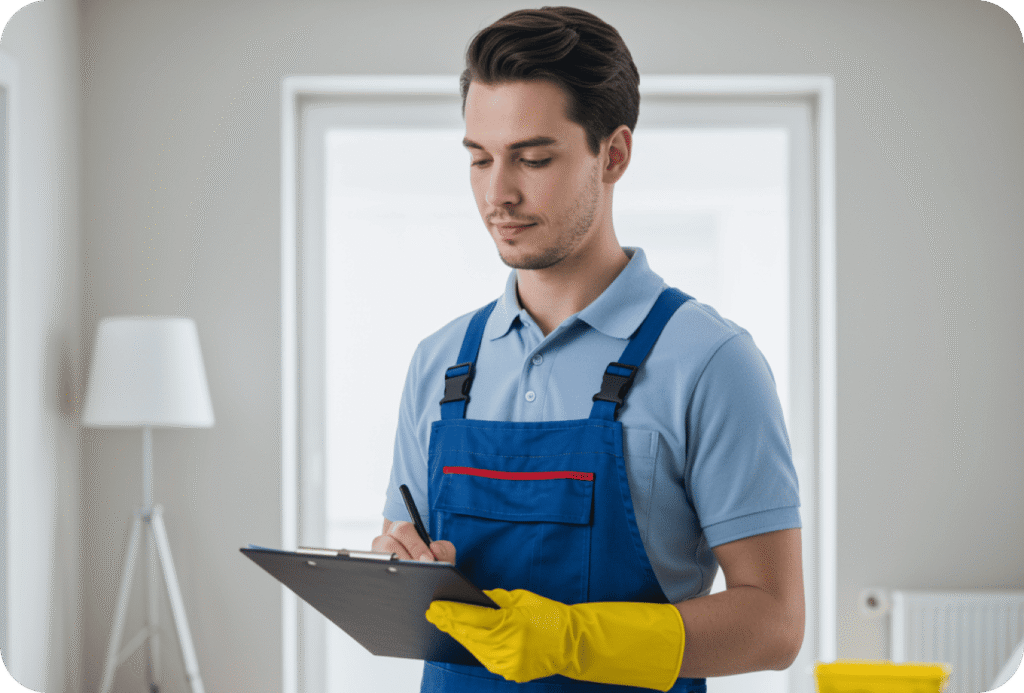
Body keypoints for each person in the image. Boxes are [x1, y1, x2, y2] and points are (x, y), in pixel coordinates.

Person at [371, 6, 804, 692]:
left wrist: (573, 640)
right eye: (479, 159)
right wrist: (400, 565)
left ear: (615, 154)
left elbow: (775, 622)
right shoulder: (439, 362)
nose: (497, 194)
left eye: (532, 158)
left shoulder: (712, 361)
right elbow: (414, 549)